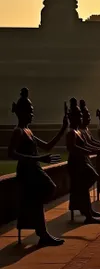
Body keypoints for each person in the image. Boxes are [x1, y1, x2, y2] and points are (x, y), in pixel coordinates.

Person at [8, 88, 68, 246]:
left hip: (35, 169)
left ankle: (40, 229)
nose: (32, 114)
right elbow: (12, 153)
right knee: (46, 190)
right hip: (27, 171)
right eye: (29, 111)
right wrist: (39, 158)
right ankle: (42, 232)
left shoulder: (28, 131)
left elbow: (47, 147)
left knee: (47, 191)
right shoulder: (18, 132)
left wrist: (63, 129)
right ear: (21, 112)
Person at [66, 98, 100, 224]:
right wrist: (94, 150)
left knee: (87, 184)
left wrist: (98, 149)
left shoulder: (79, 131)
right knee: (86, 182)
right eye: (79, 115)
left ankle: (88, 210)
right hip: (76, 164)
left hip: (82, 161)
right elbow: (74, 148)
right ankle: (87, 212)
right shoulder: (71, 133)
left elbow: (88, 145)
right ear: (72, 117)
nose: (81, 118)